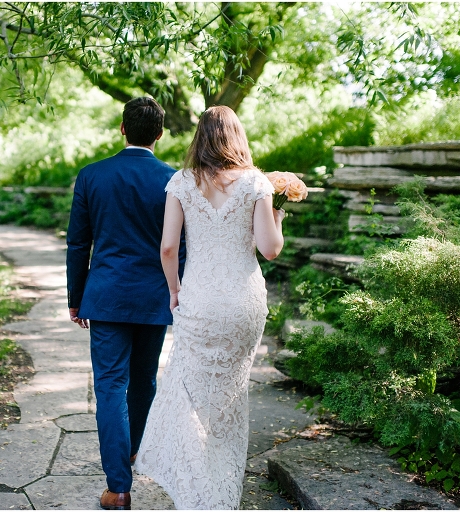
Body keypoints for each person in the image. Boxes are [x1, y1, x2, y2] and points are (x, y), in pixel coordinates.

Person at [134, 105, 285, 510]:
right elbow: (270, 249)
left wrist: (173, 290)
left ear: (200, 136)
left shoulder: (181, 181)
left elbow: (168, 247)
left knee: (186, 390)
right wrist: (278, 214)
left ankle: (194, 485)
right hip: (242, 303)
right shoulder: (257, 183)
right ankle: (219, 490)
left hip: (197, 298)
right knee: (230, 396)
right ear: (237, 136)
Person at [66, 97, 184, 511]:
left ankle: (118, 486)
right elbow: (181, 247)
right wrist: (176, 293)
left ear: (121, 128)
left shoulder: (92, 175)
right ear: (159, 134)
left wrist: (75, 298)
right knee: (144, 381)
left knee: (111, 385)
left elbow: (80, 242)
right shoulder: (173, 180)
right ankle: (131, 450)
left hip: (107, 296)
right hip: (155, 298)